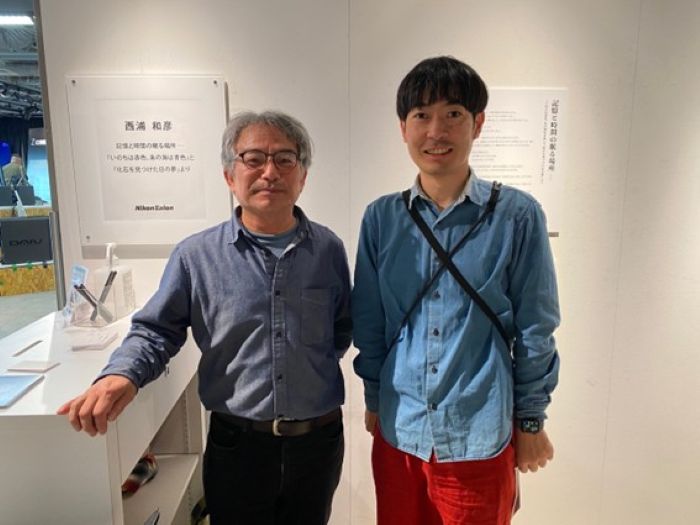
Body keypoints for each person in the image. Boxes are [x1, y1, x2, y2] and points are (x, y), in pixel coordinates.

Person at [58, 110, 352, 525]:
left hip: (317, 444)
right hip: (238, 448)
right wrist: (121, 373)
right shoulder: (196, 256)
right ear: (230, 175)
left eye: (285, 159)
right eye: (253, 159)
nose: (269, 172)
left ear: (302, 176)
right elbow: (156, 330)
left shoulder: (328, 249)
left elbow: (340, 331)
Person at [352, 56, 561, 525]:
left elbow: (535, 326)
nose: (436, 131)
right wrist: (373, 397)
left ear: (477, 123)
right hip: (399, 430)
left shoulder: (517, 215)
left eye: (453, 114)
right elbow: (369, 320)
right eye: (421, 115)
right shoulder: (382, 217)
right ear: (403, 128)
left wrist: (531, 419)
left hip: (478, 432)